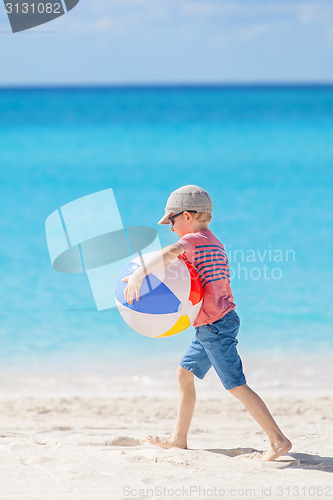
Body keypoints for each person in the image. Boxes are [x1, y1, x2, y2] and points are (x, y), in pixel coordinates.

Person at [122, 185, 292, 461]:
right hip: (214, 323)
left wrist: (140, 274)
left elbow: (169, 253)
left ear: (188, 216)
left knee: (236, 385)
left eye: (172, 221)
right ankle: (179, 438)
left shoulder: (193, 241)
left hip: (214, 326)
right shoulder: (214, 241)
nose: (172, 228)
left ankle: (277, 440)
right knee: (184, 374)